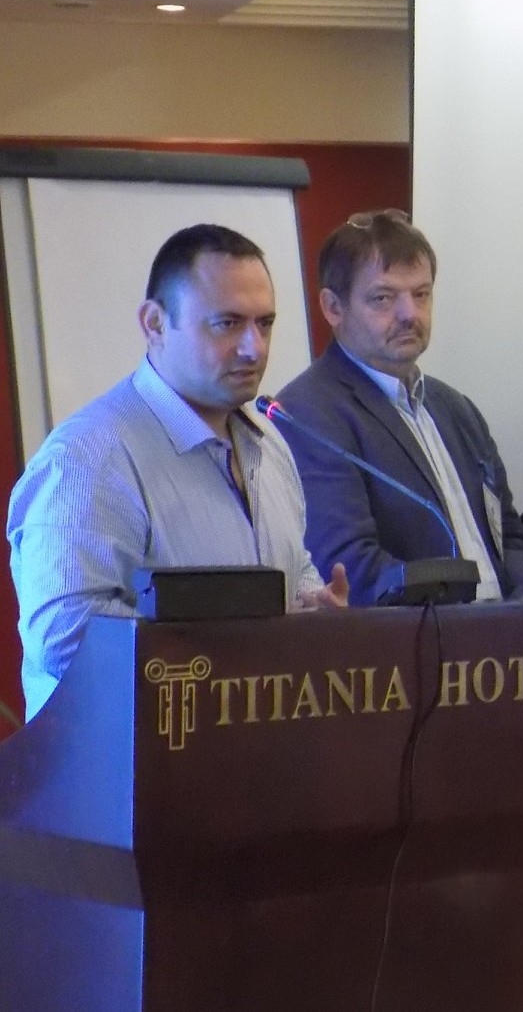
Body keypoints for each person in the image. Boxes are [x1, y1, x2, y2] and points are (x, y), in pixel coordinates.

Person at [7, 224, 346, 719]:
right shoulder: (87, 458)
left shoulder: (269, 442)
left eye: (265, 323)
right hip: (126, 760)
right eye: (227, 323)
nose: (254, 348)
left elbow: (293, 570)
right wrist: (238, 654)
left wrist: (315, 608)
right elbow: (67, 641)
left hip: (256, 747)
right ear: (155, 324)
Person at [274, 209, 523, 604]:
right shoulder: (308, 414)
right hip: (419, 636)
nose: (410, 314)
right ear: (333, 307)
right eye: (383, 298)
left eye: (421, 294)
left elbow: (510, 534)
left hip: (504, 634)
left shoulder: (456, 408)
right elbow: (350, 566)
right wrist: (468, 620)